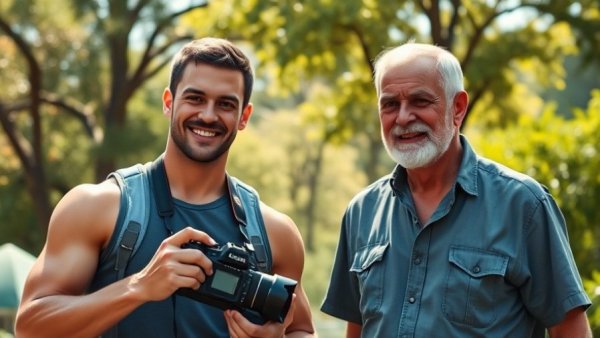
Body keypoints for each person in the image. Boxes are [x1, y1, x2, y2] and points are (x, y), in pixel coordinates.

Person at [15, 37, 316, 338]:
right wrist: (140, 286)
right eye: (195, 98)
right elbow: (30, 327)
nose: (208, 116)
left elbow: (302, 330)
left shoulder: (275, 232)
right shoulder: (97, 206)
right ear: (168, 102)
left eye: (225, 104)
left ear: (244, 117)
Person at [320, 42, 592, 337]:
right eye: (389, 104)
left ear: (458, 108)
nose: (402, 117)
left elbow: (570, 328)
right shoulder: (362, 211)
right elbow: (357, 330)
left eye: (420, 101)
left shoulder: (523, 205)